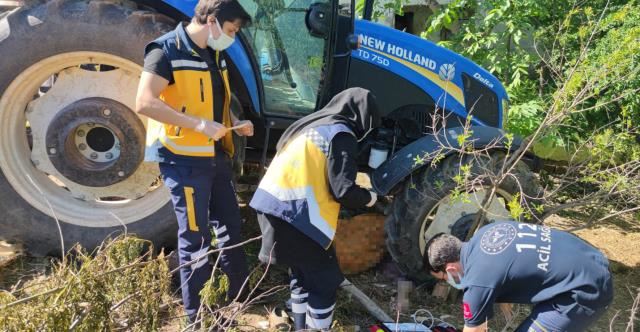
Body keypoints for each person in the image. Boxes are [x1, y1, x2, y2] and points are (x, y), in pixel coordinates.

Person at [135, 0, 252, 323]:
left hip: (216, 157)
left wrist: (234, 121)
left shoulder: (215, 54)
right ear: (212, 20)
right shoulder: (165, 51)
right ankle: (195, 316)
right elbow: (144, 102)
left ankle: (239, 299)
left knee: (230, 227)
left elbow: (215, 100)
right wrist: (199, 125)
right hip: (183, 160)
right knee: (195, 238)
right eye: (230, 30)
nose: (231, 37)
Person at [249, 87, 381, 331]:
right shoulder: (342, 135)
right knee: (324, 281)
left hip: (270, 206)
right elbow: (343, 190)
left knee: (302, 273)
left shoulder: (312, 126)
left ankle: (301, 327)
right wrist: (371, 198)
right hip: (294, 215)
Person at [424, 221, 614, 332]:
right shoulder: (487, 232)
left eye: (443, 279)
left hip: (584, 291)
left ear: (450, 270)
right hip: (591, 259)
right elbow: (510, 265)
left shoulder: (477, 283)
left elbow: (475, 330)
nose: (449, 282)